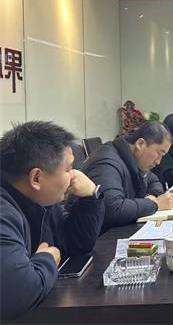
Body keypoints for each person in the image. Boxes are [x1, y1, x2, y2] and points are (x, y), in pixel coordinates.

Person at [0, 121, 104, 320]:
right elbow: (15, 297)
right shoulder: (3, 211)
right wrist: (46, 260)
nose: (74, 175)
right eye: (68, 169)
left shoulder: (41, 199)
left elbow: (76, 245)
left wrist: (91, 197)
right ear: (36, 178)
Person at [81, 121, 173, 232]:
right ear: (140, 144)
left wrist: (152, 195)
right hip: (98, 236)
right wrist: (155, 204)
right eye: (159, 153)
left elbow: (153, 181)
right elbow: (112, 208)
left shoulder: (134, 159)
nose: (158, 161)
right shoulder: (107, 162)